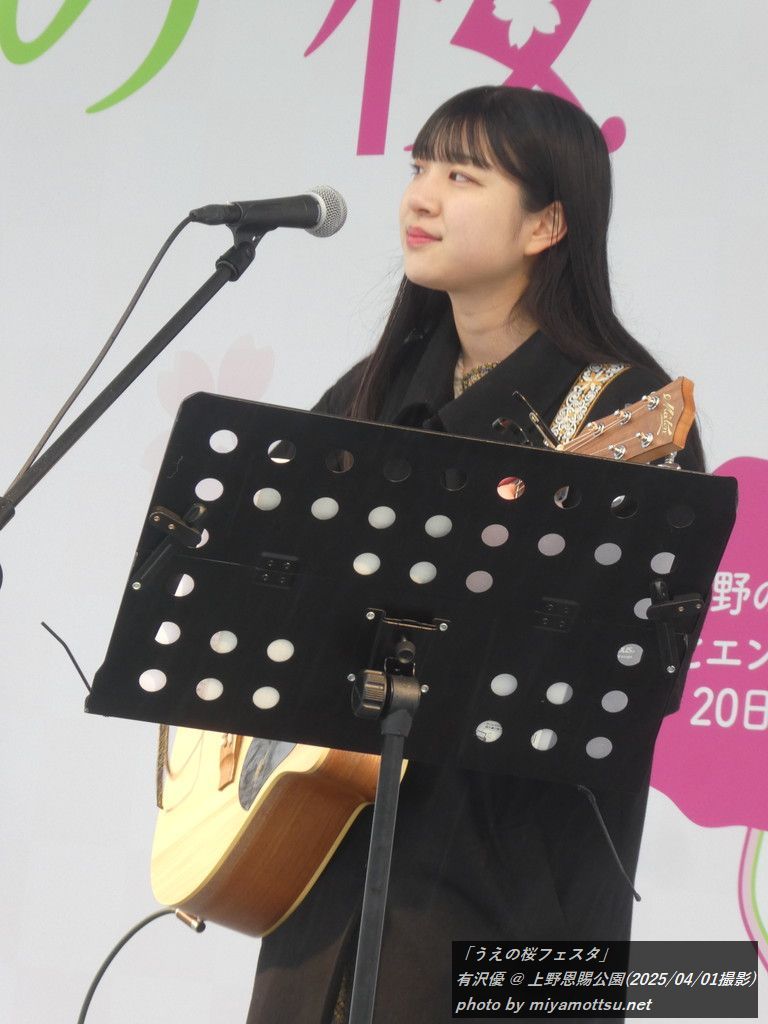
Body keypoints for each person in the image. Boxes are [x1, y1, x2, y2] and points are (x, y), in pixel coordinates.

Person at [246, 85, 704, 1024]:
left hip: (516, 892)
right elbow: (264, 579)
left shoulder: (628, 413)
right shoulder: (374, 393)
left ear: (546, 224)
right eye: (420, 168)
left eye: (462, 177)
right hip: (333, 870)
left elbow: (618, 674)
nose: (420, 197)